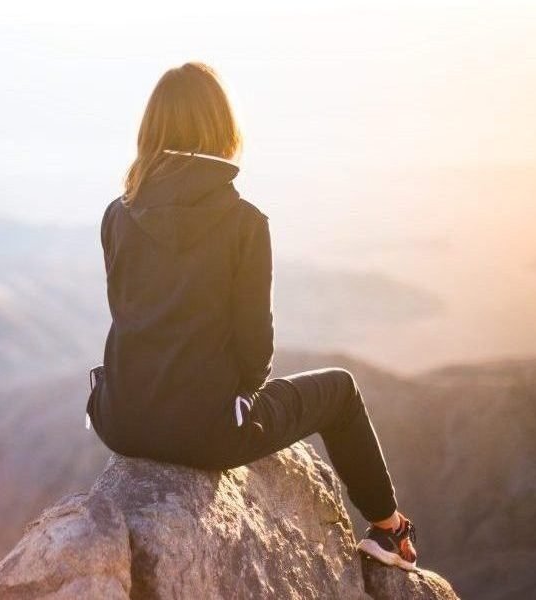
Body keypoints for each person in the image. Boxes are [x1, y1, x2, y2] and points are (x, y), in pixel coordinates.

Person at [85, 62, 418, 571]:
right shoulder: (244, 224)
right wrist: (233, 402)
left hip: (119, 419)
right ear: (222, 129)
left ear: (150, 131)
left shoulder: (116, 213)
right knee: (342, 391)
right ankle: (389, 529)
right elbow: (256, 354)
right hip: (207, 434)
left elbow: (128, 315)